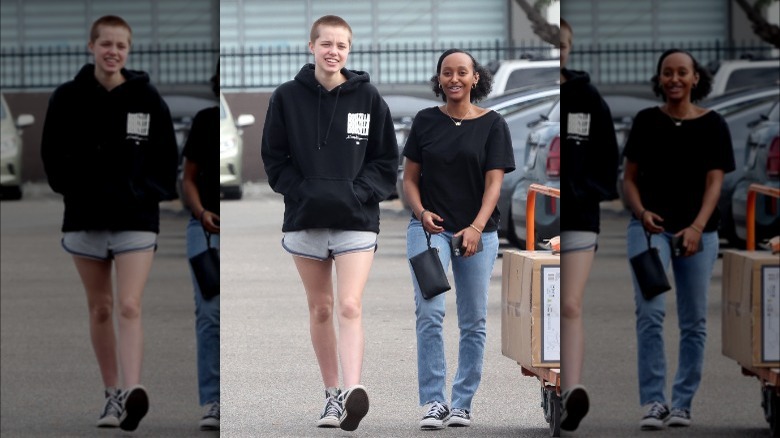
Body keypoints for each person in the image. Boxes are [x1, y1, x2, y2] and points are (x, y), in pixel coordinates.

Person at [40, 15, 179, 431]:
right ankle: (111, 395)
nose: (113, 51)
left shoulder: (147, 98)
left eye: (121, 45)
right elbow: (52, 158)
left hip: (136, 218)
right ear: (91, 46)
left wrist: (142, 191)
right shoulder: (67, 97)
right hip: (85, 218)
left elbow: (165, 159)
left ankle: (133, 390)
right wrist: (78, 189)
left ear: (128, 51)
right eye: (106, 44)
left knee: (130, 305)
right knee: (100, 307)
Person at [260, 15, 398, 432]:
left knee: (350, 304)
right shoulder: (286, 97)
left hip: (356, 218)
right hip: (305, 219)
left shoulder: (368, 98)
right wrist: (302, 191)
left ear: (349, 51)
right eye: (326, 44)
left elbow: (385, 161)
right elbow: (274, 159)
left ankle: (354, 390)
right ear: (312, 46)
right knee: (321, 307)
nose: (333, 51)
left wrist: (358, 193)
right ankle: (332, 396)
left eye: (341, 45)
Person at [402, 49, 514, 430]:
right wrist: (420, 213)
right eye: (446, 73)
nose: (454, 79)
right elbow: (409, 179)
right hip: (429, 230)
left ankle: (462, 403)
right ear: (439, 79)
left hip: (477, 233)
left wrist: (477, 228)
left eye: (461, 72)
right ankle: (434, 402)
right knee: (430, 313)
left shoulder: (493, 124)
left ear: (475, 78)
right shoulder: (425, 121)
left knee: (473, 319)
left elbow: (494, 184)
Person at [622, 48, 734, 430]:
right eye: (667, 73)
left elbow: (715, 182)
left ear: (695, 78)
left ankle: (682, 403)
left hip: (699, 232)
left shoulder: (714, 124)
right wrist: (641, 213)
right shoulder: (646, 121)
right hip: (649, 230)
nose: (674, 79)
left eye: (682, 72)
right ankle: (655, 402)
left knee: (694, 320)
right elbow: (629, 179)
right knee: (650, 314)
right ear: (660, 78)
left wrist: (698, 228)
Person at [558, 18, 620, 432]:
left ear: (569, 47)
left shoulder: (586, 97)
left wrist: (584, 191)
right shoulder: (539, 98)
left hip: (579, 216)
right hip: (536, 214)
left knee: (570, 304)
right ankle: (550, 382)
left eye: (561, 44)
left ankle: (572, 390)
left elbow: (607, 159)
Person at [181, 66, 220, 431]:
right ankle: (213, 400)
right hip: (204, 229)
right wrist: (200, 211)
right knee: (209, 313)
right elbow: (188, 178)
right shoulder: (205, 121)